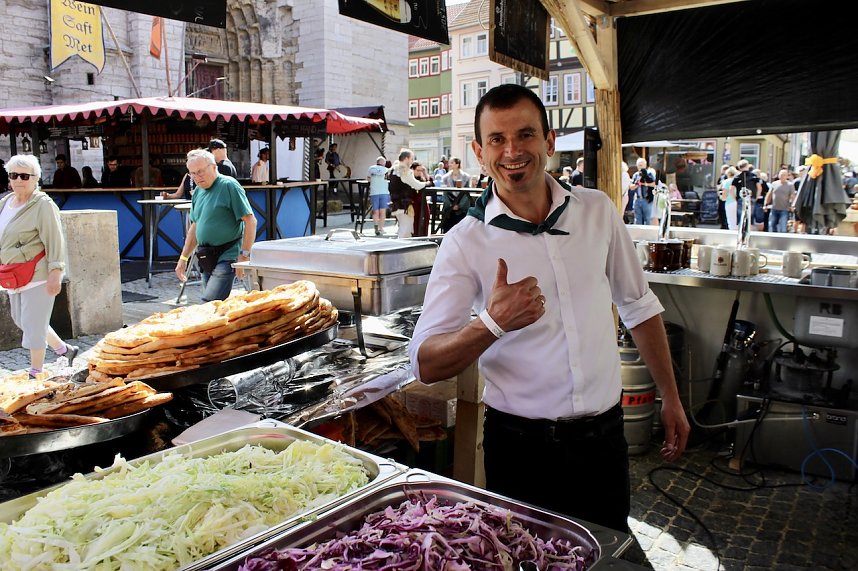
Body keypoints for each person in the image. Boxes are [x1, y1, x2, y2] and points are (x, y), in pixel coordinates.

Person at [408, 84, 689, 533]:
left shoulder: (597, 211)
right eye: (497, 140)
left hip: (604, 440)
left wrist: (671, 398)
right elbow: (424, 363)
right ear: (480, 152)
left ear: (550, 141)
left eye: (525, 135)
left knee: (606, 556)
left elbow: (638, 306)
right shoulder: (466, 241)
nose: (512, 151)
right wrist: (492, 324)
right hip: (521, 448)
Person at [1, 155, 79, 378]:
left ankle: (36, 372)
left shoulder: (43, 204)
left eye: (24, 176)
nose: (18, 180)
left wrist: (56, 271)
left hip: (37, 273)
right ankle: (64, 350)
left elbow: (55, 239)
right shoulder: (5, 203)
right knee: (21, 320)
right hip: (12, 273)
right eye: (13, 175)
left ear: (36, 178)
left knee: (33, 324)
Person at [175, 149, 257, 301]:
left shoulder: (229, 185)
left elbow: (250, 221)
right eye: (192, 173)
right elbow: (195, 227)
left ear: (213, 167)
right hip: (207, 256)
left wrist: (244, 255)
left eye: (200, 172)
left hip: (228, 254)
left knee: (209, 302)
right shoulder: (198, 192)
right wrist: (183, 258)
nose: (196, 177)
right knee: (215, 307)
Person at [387, 149, 428, 239]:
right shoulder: (404, 170)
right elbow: (416, 185)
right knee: (405, 231)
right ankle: (399, 252)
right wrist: (426, 183)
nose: (412, 161)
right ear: (406, 158)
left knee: (404, 230)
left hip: (396, 203)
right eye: (411, 159)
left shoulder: (393, 170)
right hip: (404, 204)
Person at [765, 169, 796, 233]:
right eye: (781, 175)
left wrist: (792, 206)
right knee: (772, 225)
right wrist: (765, 204)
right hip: (774, 208)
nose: (782, 176)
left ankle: (782, 241)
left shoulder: (790, 185)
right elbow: (769, 194)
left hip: (784, 209)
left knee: (783, 227)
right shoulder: (774, 184)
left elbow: (792, 196)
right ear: (779, 175)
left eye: (784, 175)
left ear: (787, 176)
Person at [366, 156, 390, 236]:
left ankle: (375, 227)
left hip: (374, 192)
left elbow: (368, 178)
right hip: (384, 191)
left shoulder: (371, 168)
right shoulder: (386, 169)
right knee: (383, 211)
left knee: (375, 211)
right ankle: (381, 228)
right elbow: (388, 179)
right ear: (383, 162)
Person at [630, 157, 657, 225]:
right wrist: (637, 184)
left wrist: (644, 183)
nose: (640, 167)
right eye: (639, 165)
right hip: (637, 199)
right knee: (637, 219)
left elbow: (654, 184)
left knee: (648, 219)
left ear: (645, 165)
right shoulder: (635, 175)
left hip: (647, 199)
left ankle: (647, 235)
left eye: (641, 165)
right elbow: (631, 187)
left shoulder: (649, 174)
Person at [410, 161, 432, 236]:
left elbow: (431, 184)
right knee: (415, 221)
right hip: (413, 203)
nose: (419, 172)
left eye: (421, 170)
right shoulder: (410, 179)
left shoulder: (422, 178)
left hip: (422, 202)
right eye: (418, 170)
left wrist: (425, 174)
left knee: (426, 217)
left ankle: (424, 236)